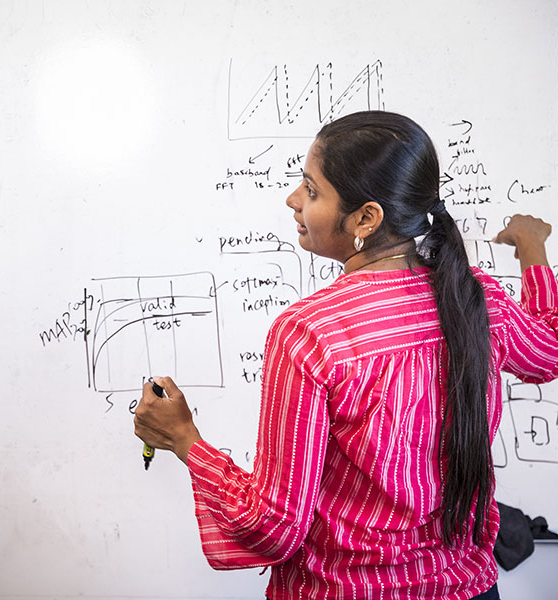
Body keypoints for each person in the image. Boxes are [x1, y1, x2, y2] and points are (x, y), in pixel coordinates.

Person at [134, 110, 558, 600]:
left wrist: (184, 439)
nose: (292, 200)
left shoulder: (311, 333)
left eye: (311, 191)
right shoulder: (476, 299)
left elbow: (272, 526)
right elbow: (547, 354)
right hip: (469, 592)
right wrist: (533, 248)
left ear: (366, 218)